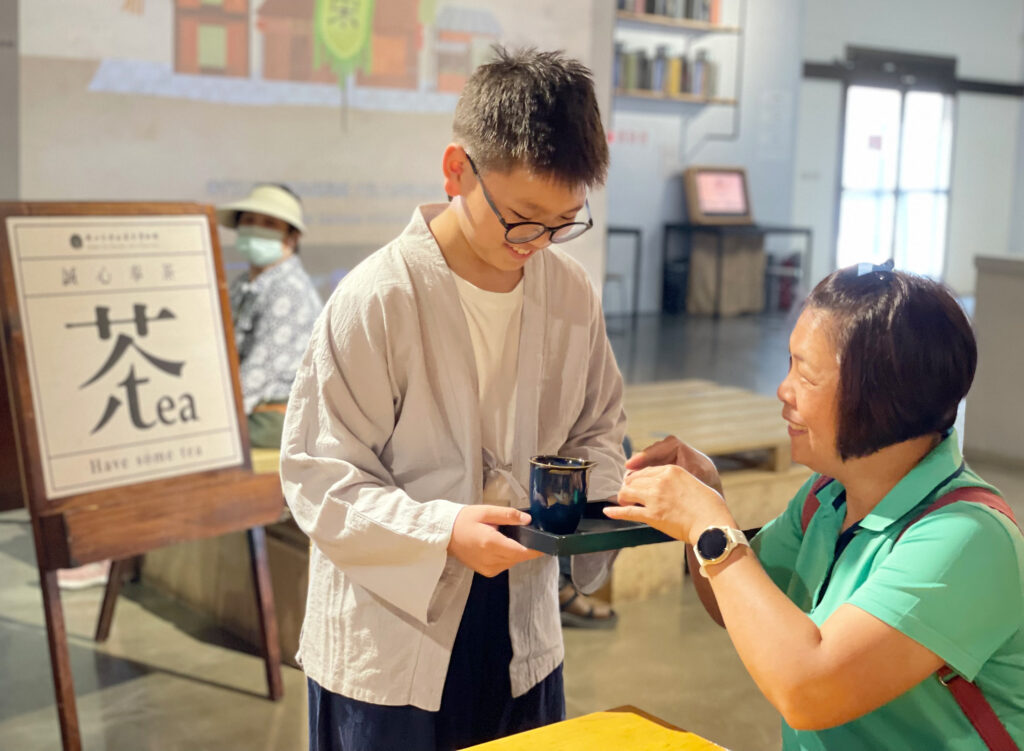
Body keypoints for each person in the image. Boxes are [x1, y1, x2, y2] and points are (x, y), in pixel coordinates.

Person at [280, 47, 627, 751]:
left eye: (564, 222)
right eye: (523, 218)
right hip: (393, 629)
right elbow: (320, 475)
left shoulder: (568, 291)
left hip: (521, 622)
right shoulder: (378, 298)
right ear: (456, 170)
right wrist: (443, 532)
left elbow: (600, 426)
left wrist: (594, 496)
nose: (539, 243)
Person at [606, 263, 1024, 750]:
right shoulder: (828, 497)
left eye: (804, 374)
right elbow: (738, 603)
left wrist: (710, 525)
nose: (783, 391)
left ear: (880, 396)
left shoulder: (965, 540)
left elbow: (808, 690)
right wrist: (708, 498)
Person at [215, 183, 322, 448]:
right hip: (250, 404)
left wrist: (216, 413)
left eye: (268, 223)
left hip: (278, 413)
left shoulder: (288, 288)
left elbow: (260, 371)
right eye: (249, 221)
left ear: (291, 237)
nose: (255, 229)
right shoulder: (243, 284)